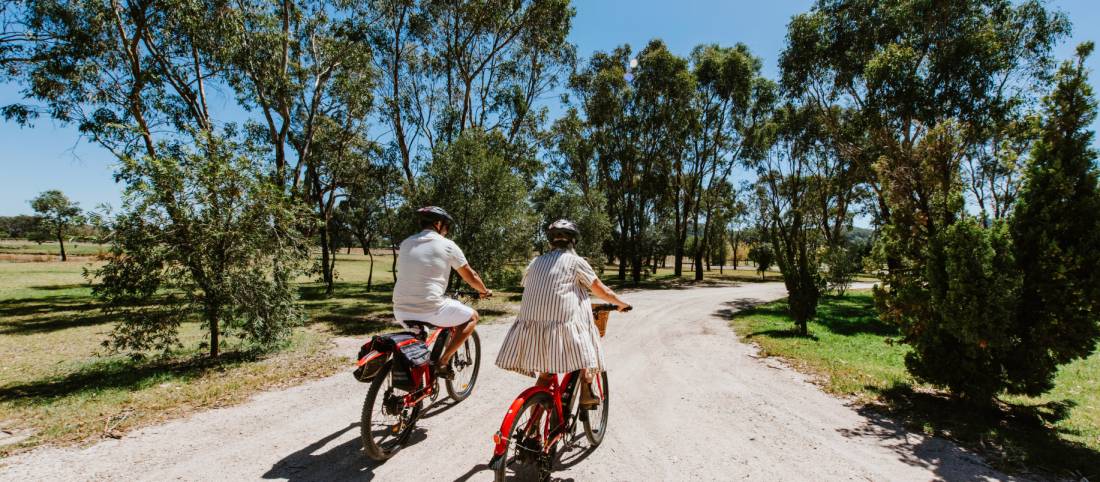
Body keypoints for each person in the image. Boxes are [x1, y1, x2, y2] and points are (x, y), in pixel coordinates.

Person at [495, 219, 631, 408]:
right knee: (589, 348)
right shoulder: (576, 262)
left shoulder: (535, 262)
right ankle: (586, 392)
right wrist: (621, 304)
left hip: (531, 328)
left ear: (551, 242)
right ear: (573, 241)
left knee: (546, 374)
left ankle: (533, 428)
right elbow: (601, 291)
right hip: (561, 329)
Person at [392, 206, 491, 378]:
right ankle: (443, 361)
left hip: (400, 310)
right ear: (438, 224)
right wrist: (483, 290)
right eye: (446, 226)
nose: (446, 231)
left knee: (420, 338)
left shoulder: (406, 243)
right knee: (472, 316)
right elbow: (470, 275)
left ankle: (418, 375)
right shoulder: (447, 245)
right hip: (430, 308)